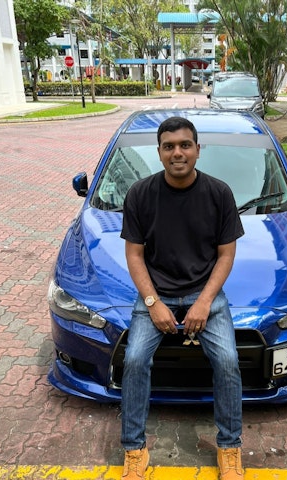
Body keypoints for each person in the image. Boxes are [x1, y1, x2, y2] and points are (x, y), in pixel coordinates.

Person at [120, 116, 245, 480]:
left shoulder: (218, 193)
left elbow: (226, 255)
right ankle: (134, 449)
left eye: (185, 145)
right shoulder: (140, 194)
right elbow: (134, 255)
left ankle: (230, 447)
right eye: (169, 146)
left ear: (197, 150)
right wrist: (152, 303)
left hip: (205, 294)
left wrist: (204, 302)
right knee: (134, 360)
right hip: (156, 295)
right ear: (159, 153)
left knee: (228, 361)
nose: (178, 153)